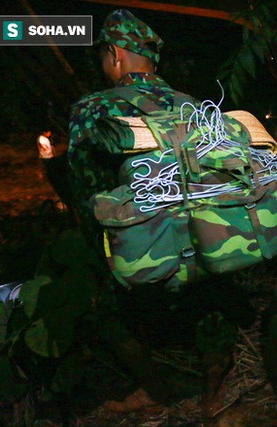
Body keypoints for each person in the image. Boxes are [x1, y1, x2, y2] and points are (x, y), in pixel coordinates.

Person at [67, 9, 242, 417]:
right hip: (206, 237)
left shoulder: (93, 108)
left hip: (142, 244)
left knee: (105, 313)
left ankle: (155, 389)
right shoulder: (194, 105)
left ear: (114, 54)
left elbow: (86, 189)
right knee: (212, 304)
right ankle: (213, 392)